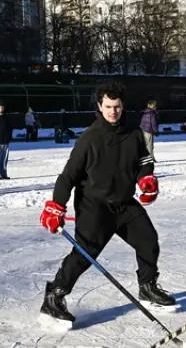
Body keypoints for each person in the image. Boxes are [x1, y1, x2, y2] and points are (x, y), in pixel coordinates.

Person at [39, 80, 175, 327]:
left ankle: (147, 288)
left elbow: (144, 160)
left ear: (123, 107)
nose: (114, 111)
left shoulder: (133, 133)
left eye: (118, 106)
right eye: (109, 106)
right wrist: (56, 206)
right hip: (95, 206)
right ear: (100, 107)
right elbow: (68, 175)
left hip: (124, 203)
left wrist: (146, 179)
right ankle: (54, 298)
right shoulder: (90, 138)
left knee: (148, 240)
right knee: (84, 254)